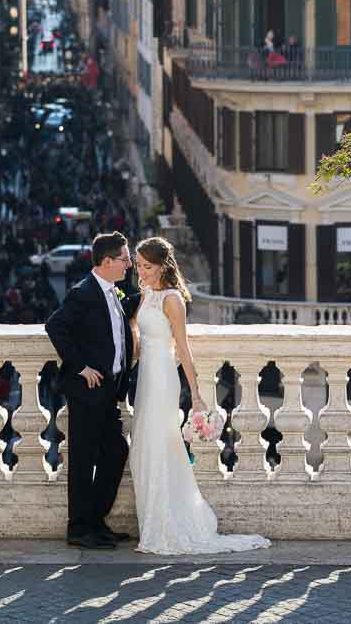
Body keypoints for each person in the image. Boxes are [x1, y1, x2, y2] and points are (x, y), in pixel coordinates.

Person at [129, 237, 271, 555]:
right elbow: (137, 337)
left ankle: (167, 527)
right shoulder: (145, 294)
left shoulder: (171, 300)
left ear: (163, 266)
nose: (140, 271)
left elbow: (183, 347)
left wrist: (195, 394)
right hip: (144, 379)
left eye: (146, 266)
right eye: (138, 265)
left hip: (163, 379)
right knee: (143, 448)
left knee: (159, 446)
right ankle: (152, 525)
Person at [45, 232, 142, 550]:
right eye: (125, 259)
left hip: (109, 392)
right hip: (87, 391)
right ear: (107, 262)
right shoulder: (83, 292)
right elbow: (55, 326)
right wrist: (80, 366)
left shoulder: (112, 291)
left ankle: (96, 522)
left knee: (116, 452)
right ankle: (79, 529)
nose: (129, 264)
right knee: (84, 460)